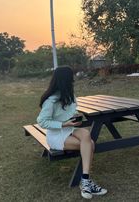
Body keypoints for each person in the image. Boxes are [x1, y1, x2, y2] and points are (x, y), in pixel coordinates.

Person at [37, 66, 107, 199]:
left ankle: (85, 179)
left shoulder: (70, 96)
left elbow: (69, 112)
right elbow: (42, 122)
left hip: (69, 129)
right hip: (56, 135)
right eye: (71, 78)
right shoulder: (51, 100)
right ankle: (86, 182)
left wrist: (75, 118)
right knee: (90, 144)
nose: (73, 80)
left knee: (86, 134)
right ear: (65, 80)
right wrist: (63, 124)